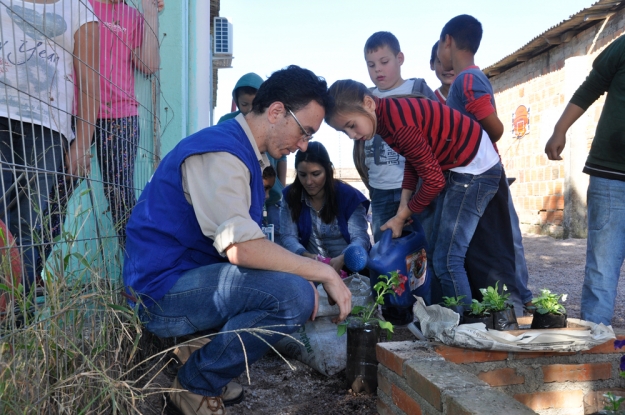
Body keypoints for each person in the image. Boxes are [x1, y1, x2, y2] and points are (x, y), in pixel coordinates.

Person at [123, 65, 351, 415]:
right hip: (159, 292)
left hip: (182, 276)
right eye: (304, 132)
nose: (303, 144)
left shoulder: (241, 151)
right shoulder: (222, 154)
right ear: (277, 112)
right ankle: (195, 383)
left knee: (290, 281)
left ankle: (199, 349)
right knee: (293, 295)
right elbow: (241, 247)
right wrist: (324, 273)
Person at [326, 79, 502, 310]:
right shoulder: (386, 119)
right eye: (344, 131)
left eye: (351, 125)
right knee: (439, 254)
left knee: (447, 259)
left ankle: (467, 329)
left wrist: (401, 216)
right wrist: (403, 206)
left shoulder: (398, 123)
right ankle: (452, 319)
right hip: (459, 167)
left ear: (368, 103)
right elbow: (413, 162)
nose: (351, 135)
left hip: (476, 170)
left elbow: (433, 181)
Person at [437, 14, 533, 314]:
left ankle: (512, 314)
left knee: (494, 253)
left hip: (480, 176)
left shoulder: (467, 80)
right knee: (481, 253)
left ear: (448, 41)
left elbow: (496, 129)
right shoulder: (468, 80)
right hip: (477, 175)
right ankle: (498, 315)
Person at [0, 1, 99, 288]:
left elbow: (90, 81)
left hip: (48, 128)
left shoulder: (80, 8)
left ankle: (21, 315)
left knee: (28, 224)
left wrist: (81, 142)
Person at [545, 35, 625, 326]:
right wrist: (560, 128)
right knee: (602, 270)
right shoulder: (624, 46)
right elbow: (592, 86)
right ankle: (593, 346)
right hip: (610, 176)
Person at [83, 0, 163, 246]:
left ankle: (135, 276)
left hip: (120, 116)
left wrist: (149, 12)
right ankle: (32, 274)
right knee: (56, 192)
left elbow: (148, 65)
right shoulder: (81, 5)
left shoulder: (132, 15)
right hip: (78, 111)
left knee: (121, 198)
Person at [356, 31, 437, 243]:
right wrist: (370, 181)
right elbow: (359, 147)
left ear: (399, 59)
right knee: (385, 252)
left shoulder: (417, 90)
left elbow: (436, 133)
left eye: (384, 61)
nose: (378, 70)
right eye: (371, 65)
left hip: (417, 190)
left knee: (422, 249)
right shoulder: (366, 98)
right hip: (380, 189)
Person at [280, 141, 370, 277]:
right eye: (302, 175)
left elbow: (360, 238)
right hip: (310, 271)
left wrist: (343, 258)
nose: (309, 182)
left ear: (328, 170)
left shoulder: (350, 197)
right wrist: (305, 256)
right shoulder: (290, 197)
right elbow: (288, 236)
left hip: (350, 272)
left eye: (316, 174)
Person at [218, 73, 288, 245]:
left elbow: (282, 158)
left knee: (275, 235)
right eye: (244, 104)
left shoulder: (272, 122)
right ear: (236, 100)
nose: (249, 109)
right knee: (247, 233)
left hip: (271, 195)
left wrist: (280, 186)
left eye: (254, 104)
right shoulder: (227, 122)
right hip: (243, 191)